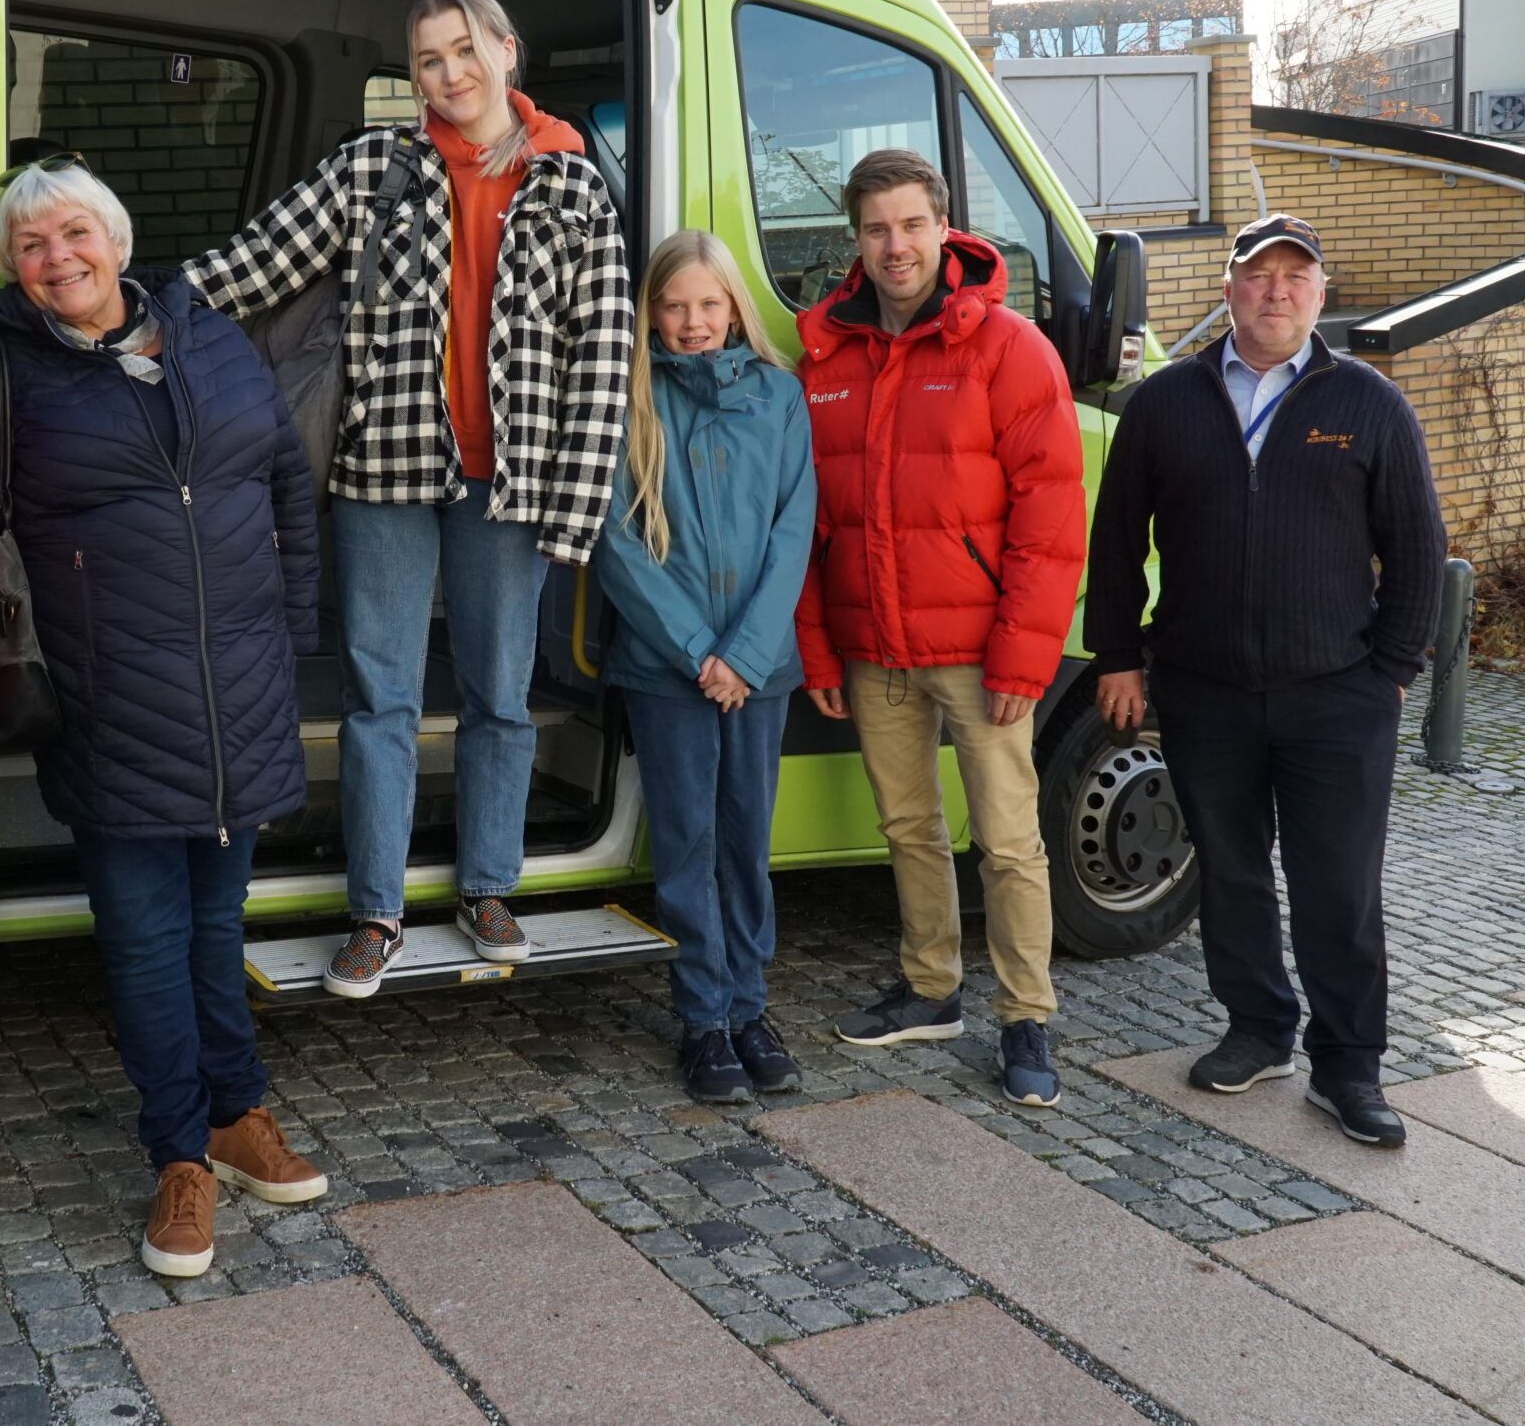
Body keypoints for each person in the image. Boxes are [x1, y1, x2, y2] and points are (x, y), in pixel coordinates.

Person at [185, 0, 633, 998]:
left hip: (508, 484)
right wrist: (133, 304)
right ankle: (376, 912)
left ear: (506, 52)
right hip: (384, 470)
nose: (447, 75)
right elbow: (255, 266)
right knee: (379, 696)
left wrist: (573, 507)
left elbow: (601, 354)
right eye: (428, 59)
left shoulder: (571, 182)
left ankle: (487, 889)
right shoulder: (372, 168)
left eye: (463, 51)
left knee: (498, 696)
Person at [0, 159, 329, 1279]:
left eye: (73, 234)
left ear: (116, 238)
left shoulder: (206, 336)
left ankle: (236, 1113)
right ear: (12, 269)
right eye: (30, 246)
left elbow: (284, 487)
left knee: (217, 923)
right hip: (107, 693)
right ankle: (178, 1154)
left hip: (238, 686)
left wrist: (291, 632)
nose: (57, 259)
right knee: (147, 934)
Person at [1087, 213, 1444, 1148]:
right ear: (1229, 286)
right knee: (1233, 874)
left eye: (1296, 277)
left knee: (1336, 882)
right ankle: (1257, 1027)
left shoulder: (1367, 403)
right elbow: (1117, 542)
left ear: (1319, 294)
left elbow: (1417, 548)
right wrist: (1118, 652)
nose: (1275, 291)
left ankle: (1348, 1065)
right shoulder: (1167, 402)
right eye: (1258, 275)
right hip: (1204, 689)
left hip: (1337, 693)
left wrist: (1392, 671)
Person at [797, 149, 1086, 1108]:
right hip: (872, 645)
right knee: (908, 827)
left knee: (1007, 841)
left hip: (979, 652)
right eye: (877, 229)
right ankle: (930, 988)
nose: (895, 246)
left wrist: (1024, 650)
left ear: (944, 228)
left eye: (912, 225)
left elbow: (1050, 516)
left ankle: (1025, 1014)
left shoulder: (1008, 349)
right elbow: (804, 522)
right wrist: (819, 642)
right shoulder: (829, 356)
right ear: (857, 238)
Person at [597, 230, 814, 1103]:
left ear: (735, 309)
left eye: (709, 305)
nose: (692, 323)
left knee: (745, 844)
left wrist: (746, 656)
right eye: (675, 306)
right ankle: (702, 1020)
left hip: (757, 668)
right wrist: (698, 653)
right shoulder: (627, 400)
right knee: (686, 844)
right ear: (651, 311)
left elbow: (793, 531)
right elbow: (616, 545)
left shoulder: (779, 397)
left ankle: (750, 1009)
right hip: (668, 669)